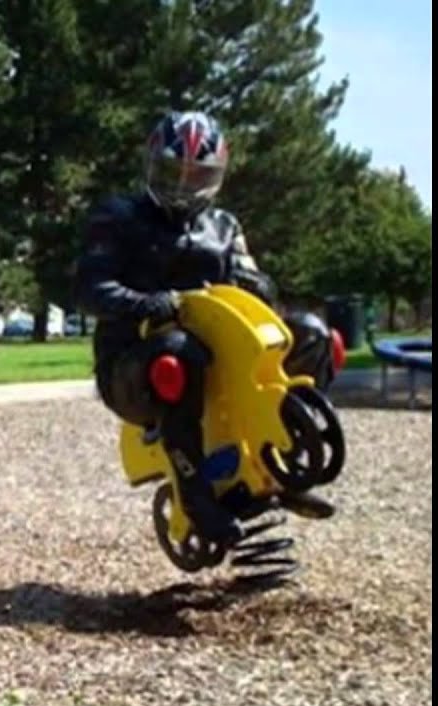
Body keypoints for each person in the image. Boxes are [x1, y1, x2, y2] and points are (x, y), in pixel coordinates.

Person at [73, 110, 339, 544]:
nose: (182, 187)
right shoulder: (117, 218)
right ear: (150, 165)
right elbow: (90, 288)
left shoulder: (224, 228)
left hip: (219, 358)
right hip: (132, 366)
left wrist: (257, 285)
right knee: (178, 351)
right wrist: (149, 304)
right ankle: (195, 495)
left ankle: (289, 455)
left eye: (197, 176)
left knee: (312, 333)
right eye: (172, 172)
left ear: (216, 177)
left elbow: (259, 290)